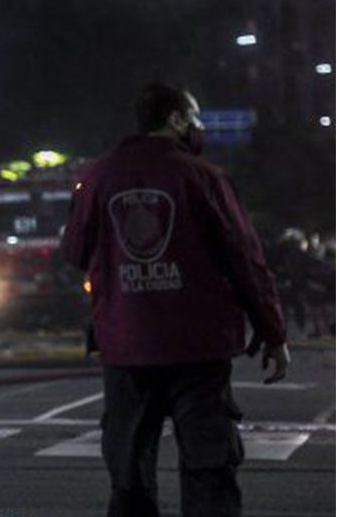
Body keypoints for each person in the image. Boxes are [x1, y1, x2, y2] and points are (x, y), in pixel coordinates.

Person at [62, 83, 289, 517]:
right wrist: (273, 332)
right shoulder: (204, 177)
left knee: (129, 474)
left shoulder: (98, 176)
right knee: (209, 472)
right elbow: (245, 261)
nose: (200, 126)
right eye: (195, 116)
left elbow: (74, 251)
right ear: (176, 119)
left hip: (126, 346)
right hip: (198, 347)